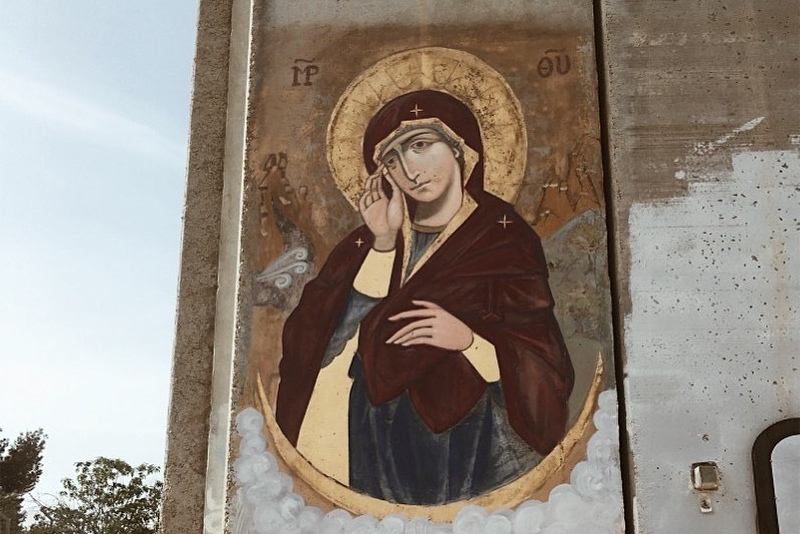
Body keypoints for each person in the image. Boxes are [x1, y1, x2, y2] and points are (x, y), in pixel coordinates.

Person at [276, 90, 574, 505]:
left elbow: (542, 359)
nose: (410, 170)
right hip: (372, 435)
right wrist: (382, 245)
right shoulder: (368, 239)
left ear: (459, 148)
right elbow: (313, 345)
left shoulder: (505, 239)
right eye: (392, 160)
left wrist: (468, 341)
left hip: (470, 439)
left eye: (420, 145)